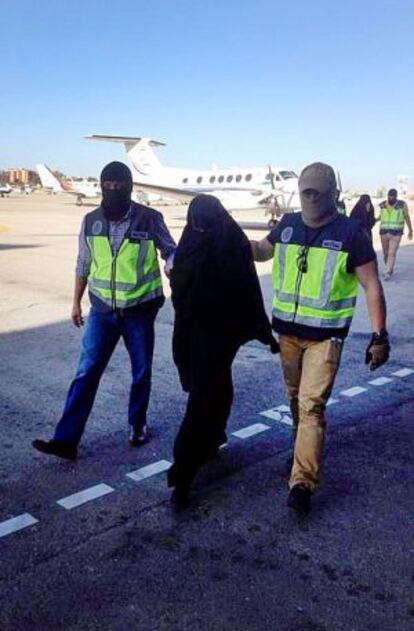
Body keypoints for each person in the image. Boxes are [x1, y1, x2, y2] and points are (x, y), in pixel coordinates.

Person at [250, 162, 390, 514]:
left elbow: (372, 284)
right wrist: (224, 233)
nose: (310, 199)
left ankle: (302, 483)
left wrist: (379, 335)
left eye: (317, 193)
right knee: (296, 400)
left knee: (312, 405)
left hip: (325, 339)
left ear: (333, 195)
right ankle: (302, 452)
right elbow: (261, 251)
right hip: (287, 335)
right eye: (305, 192)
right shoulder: (288, 225)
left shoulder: (351, 233)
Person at [32, 162, 176, 460]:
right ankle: (66, 440)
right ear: (100, 185)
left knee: (141, 372)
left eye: (118, 185)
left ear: (130, 186)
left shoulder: (149, 218)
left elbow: (170, 250)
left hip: (138, 310)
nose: (112, 190)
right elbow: (83, 264)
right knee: (86, 372)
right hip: (101, 311)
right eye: (107, 185)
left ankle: (138, 425)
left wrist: (174, 266)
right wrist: (75, 301)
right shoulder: (90, 221)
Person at [168, 195, 278, 508]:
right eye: (196, 223)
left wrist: (263, 332)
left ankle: (183, 473)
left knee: (205, 400)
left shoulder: (219, 244)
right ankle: (211, 442)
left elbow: (247, 290)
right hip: (199, 338)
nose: (200, 228)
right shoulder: (219, 241)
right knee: (215, 394)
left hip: (215, 340)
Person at [379, 188, 412, 280]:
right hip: (384, 232)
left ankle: (387, 272)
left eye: (393, 196)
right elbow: (380, 216)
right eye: (389, 196)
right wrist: (373, 220)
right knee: (385, 253)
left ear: (396, 197)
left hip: (396, 233)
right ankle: (389, 268)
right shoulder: (382, 205)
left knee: (391, 253)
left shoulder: (402, 205)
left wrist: (410, 230)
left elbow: (406, 217)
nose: (391, 198)